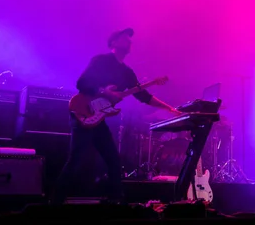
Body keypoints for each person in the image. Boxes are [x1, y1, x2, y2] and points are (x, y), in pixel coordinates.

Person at [52, 28, 181, 204]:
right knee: (76, 158)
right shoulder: (100, 61)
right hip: (83, 111)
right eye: (124, 38)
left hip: (99, 119)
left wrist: (169, 108)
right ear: (113, 43)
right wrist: (103, 90)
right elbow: (81, 83)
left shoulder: (127, 73)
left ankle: (116, 202)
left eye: (130, 39)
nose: (129, 41)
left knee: (113, 159)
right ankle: (55, 201)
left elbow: (144, 96)